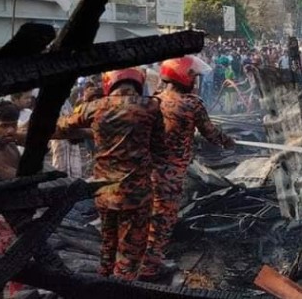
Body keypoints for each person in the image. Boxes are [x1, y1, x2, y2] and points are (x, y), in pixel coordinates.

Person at [56, 68, 167, 280]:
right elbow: (159, 148)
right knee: (130, 255)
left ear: (109, 84)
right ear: (137, 83)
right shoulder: (151, 106)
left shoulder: (93, 107)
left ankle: (104, 281)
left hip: (104, 193)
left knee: (108, 244)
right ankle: (120, 289)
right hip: (136, 196)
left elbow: (62, 126)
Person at [139, 56, 234, 280]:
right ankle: (149, 270)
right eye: (194, 76)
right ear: (184, 76)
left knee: (148, 216)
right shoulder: (192, 104)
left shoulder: (152, 101)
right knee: (163, 220)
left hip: (148, 171)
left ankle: (143, 258)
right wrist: (228, 141)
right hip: (170, 175)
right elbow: (211, 134)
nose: (196, 81)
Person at [0, 101, 24, 298]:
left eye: (13, 125)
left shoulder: (11, 147)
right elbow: (8, 174)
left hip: (10, 217)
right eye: (4, 125)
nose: (10, 130)